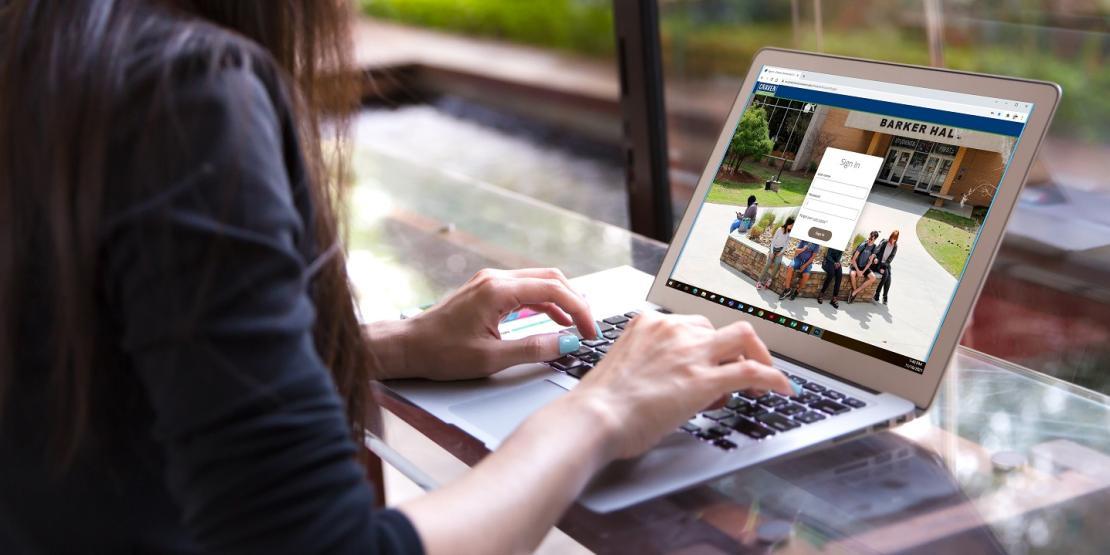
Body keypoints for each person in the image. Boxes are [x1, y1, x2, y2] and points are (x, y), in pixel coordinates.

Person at [0, 2, 797, 553]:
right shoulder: (183, 92)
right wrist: (601, 409)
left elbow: (99, 356)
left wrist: (389, 343)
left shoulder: (49, 43)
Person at [756, 217, 794, 290]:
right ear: (788, 223)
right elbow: (773, 241)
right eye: (791, 225)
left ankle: (770, 280)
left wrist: (781, 252)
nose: (792, 226)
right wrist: (772, 252)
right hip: (773, 249)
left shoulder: (790, 232)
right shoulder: (779, 229)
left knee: (777, 264)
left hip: (780, 251)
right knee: (768, 264)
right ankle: (759, 282)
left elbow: (786, 244)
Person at [848, 231, 881, 303]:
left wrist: (862, 271)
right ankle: (854, 291)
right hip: (856, 264)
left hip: (864, 267)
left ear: (875, 239)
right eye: (869, 238)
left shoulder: (874, 247)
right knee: (852, 274)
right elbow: (853, 259)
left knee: (873, 278)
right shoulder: (863, 245)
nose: (870, 240)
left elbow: (869, 262)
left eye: (872, 239)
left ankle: (855, 291)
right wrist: (858, 270)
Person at [872, 230, 899, 305]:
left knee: (888, 277)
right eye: (892, 238)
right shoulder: (884, 242)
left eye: (895, 239)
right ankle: (880, 295)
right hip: (878, 263)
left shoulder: (895, 246)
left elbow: (890, 258)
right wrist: (875, 258)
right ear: (890, 236)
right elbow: (877, 250)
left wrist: (883, 267)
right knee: (887, 275)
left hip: (885, 264)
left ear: (897, 239)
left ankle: (881, 295)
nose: (893, 240)